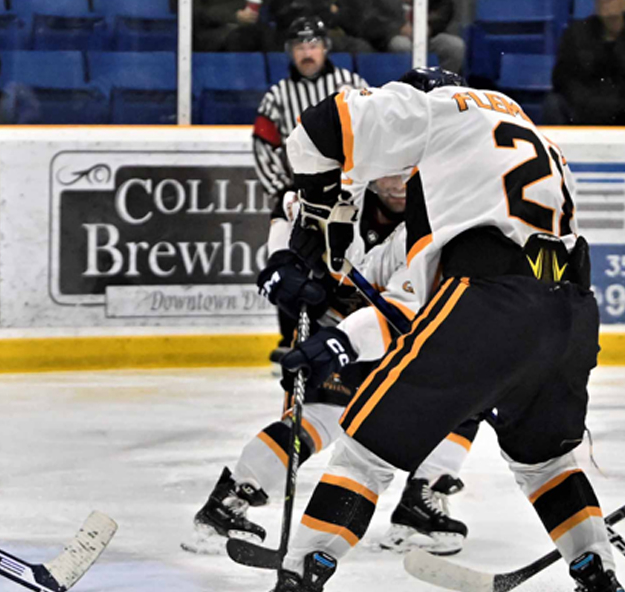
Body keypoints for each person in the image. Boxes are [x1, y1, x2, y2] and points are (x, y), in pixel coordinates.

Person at [232, 68, 625, 592]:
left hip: (488, 303)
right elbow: (396, 285)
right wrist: (325, 274)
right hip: (570, 313)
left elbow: (321, 128)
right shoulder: (516, 133)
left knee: (365, 454)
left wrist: (311, 245)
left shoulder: (435, 107)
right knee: (547, 464)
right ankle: (606, 589)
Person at [184, 173, 478, 558]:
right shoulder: (343, 194)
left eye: (409, 172)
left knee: (469, 398)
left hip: (406, 331)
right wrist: (282, 259)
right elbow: (288, 205)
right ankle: (230, 502)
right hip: (334, 325)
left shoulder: (442, 213)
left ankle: (423, 497)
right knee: (321, 416)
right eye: (390, 171)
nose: (398, 182)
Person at [253, 16, 369, 358]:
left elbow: (372, 130)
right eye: (300, 46)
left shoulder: (350, 84)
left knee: (344, 259)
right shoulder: (278, 95)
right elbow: (263, 143)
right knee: (288, 261)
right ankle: (289, 338)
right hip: (296, 193)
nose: (307, 52)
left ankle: (346, 333)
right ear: (290, 51)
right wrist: (281, 188)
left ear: (326, 47)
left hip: (347, 191)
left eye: (313, 44)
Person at [336, 0, 465, 74]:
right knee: (402, 45)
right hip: (387, 37)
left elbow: (444, 7)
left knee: (454, 46)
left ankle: (443, 87)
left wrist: (429, 26)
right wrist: (398, 28)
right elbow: (368, 16)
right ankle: (410, 89)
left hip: (426, 34)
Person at [194, 0, 274, 52]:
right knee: (239, 37)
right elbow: (199, 13)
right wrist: (234, 16)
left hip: (253, 26)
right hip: (214, 30)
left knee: (271, 35)